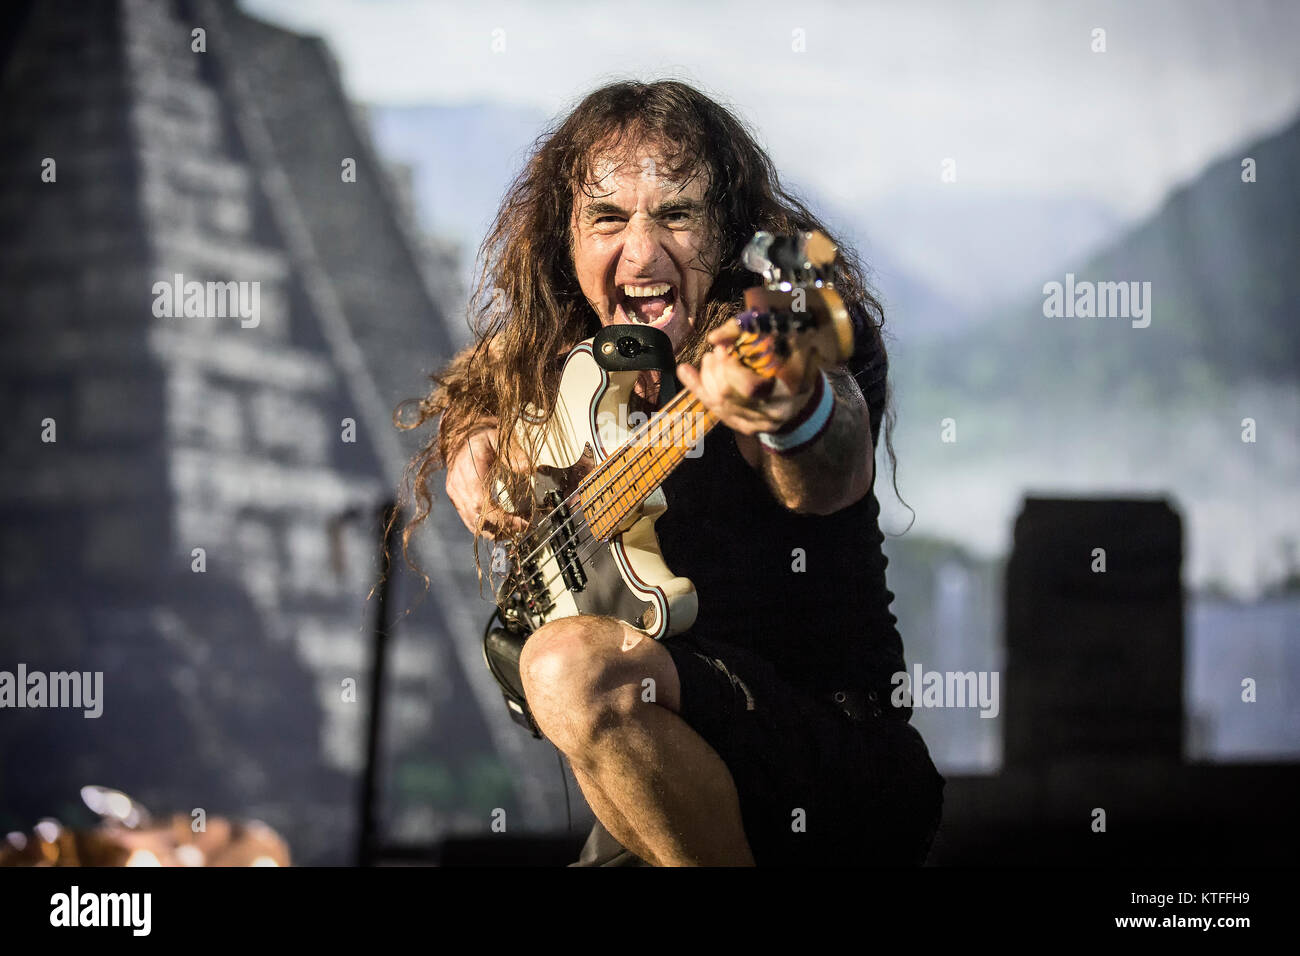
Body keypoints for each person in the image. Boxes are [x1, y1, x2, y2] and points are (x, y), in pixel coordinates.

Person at [400, 80, 944, 866]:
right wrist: (471, 437)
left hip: (827, 759)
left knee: (566, 665)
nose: (643, 253)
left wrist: (794, 410)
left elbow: (829, 469)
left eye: (678, 215)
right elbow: (477, 376)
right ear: (567, 242)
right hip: (663, 769)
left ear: (729, 235)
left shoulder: (770, 330)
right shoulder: (566, 349)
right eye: (609, 218)